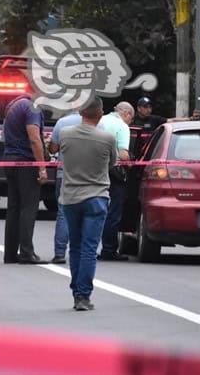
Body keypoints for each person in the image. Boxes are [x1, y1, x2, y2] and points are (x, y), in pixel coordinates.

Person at [60, 97, 117, 311]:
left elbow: (57, 151)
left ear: (81, 112)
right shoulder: (108, 138)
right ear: (100, 114)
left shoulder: (66, 134)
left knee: (74, 245)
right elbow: (112, 163)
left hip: (71, 198)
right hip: (96, 197)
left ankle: (77, 291)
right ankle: (83, 295)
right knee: (89, 248)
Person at [1, 94, 49, 264]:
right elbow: (34, 139)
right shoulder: (32, 109)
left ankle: (10, 253)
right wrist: (42, 167)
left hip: (10, 159)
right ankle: (27, 253)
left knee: (14, 208)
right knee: (29, 207)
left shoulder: (15, 105)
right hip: (25, 162)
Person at [97, 102, 134, 261]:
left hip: (95, 170)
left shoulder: (100, 121)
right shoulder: (122, 126)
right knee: (114, 212)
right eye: (131, 119)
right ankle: (109, 249)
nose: (130, 122)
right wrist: (131, 162)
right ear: (126, 114)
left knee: (95, 209)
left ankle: (88, 248)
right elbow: (123, 154)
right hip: (114, 172)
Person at [48, 111, 82, 264]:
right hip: (89, 177)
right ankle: (81, 252)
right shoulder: (99, 124)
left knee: (64, 213)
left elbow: (53, 149)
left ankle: (60, 253)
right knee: (86, 214)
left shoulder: (62, 122)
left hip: (65, 174)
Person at [132, 97, 200, 133]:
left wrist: (190, 119)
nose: (148, 110)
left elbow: (172, 120)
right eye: (145, 107)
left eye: (150, 107)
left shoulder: (154, 119)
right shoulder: (132, 120)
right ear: (139, 108)